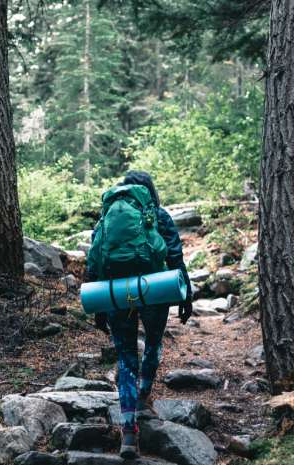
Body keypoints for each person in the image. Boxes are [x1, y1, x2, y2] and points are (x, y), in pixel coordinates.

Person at [85, 170, 193, 459]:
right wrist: (186, 294)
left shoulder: (108, 216)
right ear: (150, 190)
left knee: (126, 357)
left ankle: (129, 432)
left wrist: (98, 306)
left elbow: (94, 259)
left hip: (116, 293)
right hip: (154, 291)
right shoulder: (158, 215)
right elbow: (175, 256)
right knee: (154, 343)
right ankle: (144, 393)